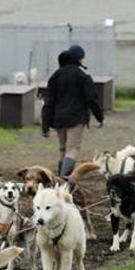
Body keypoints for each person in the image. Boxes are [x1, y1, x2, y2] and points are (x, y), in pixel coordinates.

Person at [41, 44, 104, 176]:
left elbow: (48, 102)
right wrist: (99, 117)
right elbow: (92, 98)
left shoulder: (55, 76)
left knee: (63, 149)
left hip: (58, 119)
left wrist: (45, 125)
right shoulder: (82, 76)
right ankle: (64, 179)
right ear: (78, 59)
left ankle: (59, 179)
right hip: (76, 118)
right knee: (73, 149)